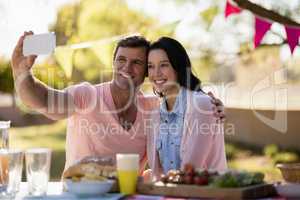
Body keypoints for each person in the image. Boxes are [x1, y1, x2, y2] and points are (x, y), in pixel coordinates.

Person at [11, 31, 225, 174]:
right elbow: (45, 101)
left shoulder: (153, 109)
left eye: (137, 63)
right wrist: (22, 72)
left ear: (145, 72)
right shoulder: (87, 95)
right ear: (113, 63)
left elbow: (186, 105)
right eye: (121, 60)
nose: (127, 68)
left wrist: (208, 101)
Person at [146, 37, 227, 178]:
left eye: (164, 65)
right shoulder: (155, 115)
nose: (156, 73)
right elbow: (157, 174)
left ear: (178, 66)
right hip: (170, 194)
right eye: (151, 66)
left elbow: (191, 170)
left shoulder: (201, 105)